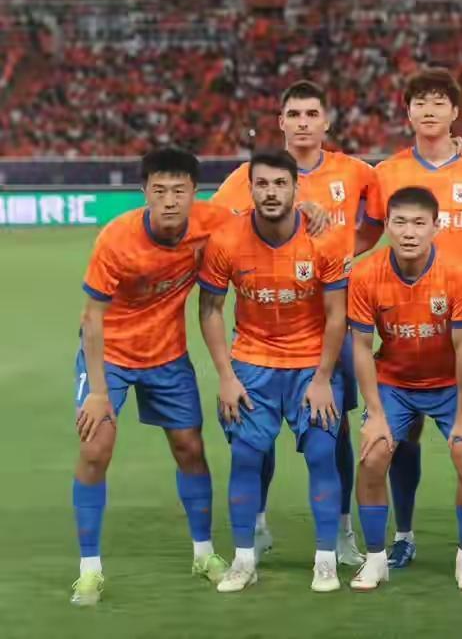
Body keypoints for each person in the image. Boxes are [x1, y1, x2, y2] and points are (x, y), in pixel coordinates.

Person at [355, 67, 462, 570]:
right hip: (402, 331)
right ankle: (403, 536)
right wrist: (318, 254)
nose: (429, 110)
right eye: (419, 102)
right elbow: (364, 238)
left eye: (438, 102)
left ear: (455, 111)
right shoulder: (386, 173)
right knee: (398, 444)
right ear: (407, 112)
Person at [212, 79, 373, 565]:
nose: (303, 123)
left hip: (330, 326)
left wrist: (347, 251)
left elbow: (392, 210)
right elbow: (217, 226)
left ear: (326, 122)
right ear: (281, 122)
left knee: (333, 432)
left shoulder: (356, 171)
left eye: (311, 114)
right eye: (294, 115)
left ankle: (341, 532)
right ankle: (258, 524)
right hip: (263, 335)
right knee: (255, 438)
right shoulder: (248, 177)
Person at [70, 147, 233, 606]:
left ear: (194, 193)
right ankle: (89, 571)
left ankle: (203, 553)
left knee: (190, 449)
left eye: (179, 190)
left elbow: (261, 217)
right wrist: (97, 392)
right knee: (95, 447)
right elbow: (92, 318)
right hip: (110, 355)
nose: (169, 200)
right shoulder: (116, 239)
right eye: (159, 190)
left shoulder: (213, 223)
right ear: (143, 192)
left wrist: (311, 210)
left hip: (167, 354)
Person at [197, 149, 348, 593]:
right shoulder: (226, 240)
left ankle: (325, 560)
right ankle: (244, 560)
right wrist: (226, 376)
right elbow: (210, 309)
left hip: (310, 365)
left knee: (322, 455)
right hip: (252, 364)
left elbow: (336, 315)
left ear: (296, 189)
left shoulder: (325, 239)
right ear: (250, 189)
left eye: (280, 183)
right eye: (262, 184)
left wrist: (323, 379)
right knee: (245, 458)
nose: (271, 192)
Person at [347, 186, 462, 592]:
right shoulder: (366, 274)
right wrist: (375, 414)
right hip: (394, 382)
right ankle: (376, 559)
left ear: (436, 227)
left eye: (419, 223)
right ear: (387, 226)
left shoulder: (458, 274)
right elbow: (361, 347)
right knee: (373, 456)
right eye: (400, 223)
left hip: (449, 384)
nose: (409, 232)